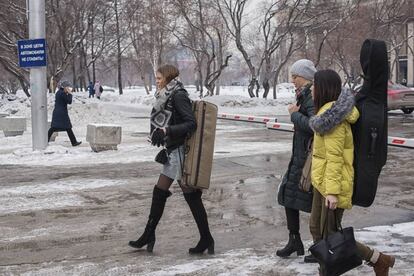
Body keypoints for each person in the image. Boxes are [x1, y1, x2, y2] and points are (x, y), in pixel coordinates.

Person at [308, 69, 395, 276]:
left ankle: (379, 260)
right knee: (318, 231)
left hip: (331, 186)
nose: (312, 88)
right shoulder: (327, 114)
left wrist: (332, 192)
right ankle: (378, 259)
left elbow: (336, 158)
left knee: (330, 236)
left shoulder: (332, 118)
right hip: (323, 183)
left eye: (314, 84)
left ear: (323, 88)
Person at [128, 64, 214, 254]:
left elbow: (191, 124)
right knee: (161, 192)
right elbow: (165, 119)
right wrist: (160, 135)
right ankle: (149, 234)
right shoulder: (165, 95)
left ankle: (206, 238)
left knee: (190, 195)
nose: (156, 81)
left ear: (167, 78)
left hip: (180, 153)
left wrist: (167, 130)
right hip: (172, 151)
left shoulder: (178, 95)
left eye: (159, 78)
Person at [276, 59, 317, 262]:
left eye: (295, 76)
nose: (293, 80)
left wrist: (294, 115)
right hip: (300, 155)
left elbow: (314, 125)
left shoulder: (311, 96)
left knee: (310, 200)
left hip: (309, 157)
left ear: (306, 77)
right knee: (287, 195)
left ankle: (319, 245)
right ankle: (295, 240)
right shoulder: (304, 94)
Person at [48, 80, 82, 147]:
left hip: (57, 112)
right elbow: (69, 101)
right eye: (68, 87)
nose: (69, 89)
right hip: (61, 113)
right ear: (65, 87)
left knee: (54, 128)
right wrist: (69, 94)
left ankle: (45, 140)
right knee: (67, 127)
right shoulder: (62, 93)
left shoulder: (59, 92)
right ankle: (74, 142)